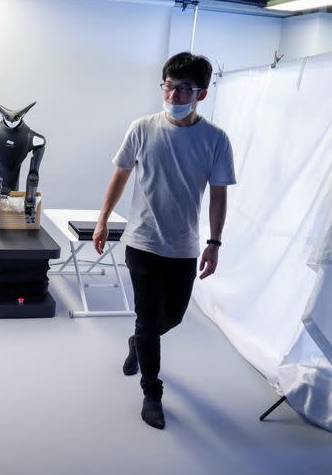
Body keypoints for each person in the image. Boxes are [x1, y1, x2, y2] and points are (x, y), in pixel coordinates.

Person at [93, 52, 236, 430]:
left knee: (170, 317)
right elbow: (120, 175)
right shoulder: (142, 128)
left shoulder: (216, 140)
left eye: (183, 89)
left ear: (201, 94)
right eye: (168, 87)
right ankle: (151, 391)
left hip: (184, 246)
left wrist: (215, 243)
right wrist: (103, 220)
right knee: (146, 315)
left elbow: (219, 195)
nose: (173, 96)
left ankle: (138, 341)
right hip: (142, 241)